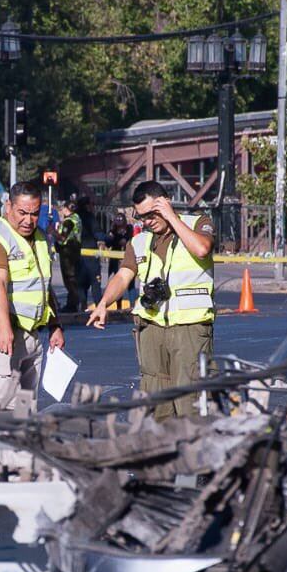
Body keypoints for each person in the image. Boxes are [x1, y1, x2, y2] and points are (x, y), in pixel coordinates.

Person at [85, 180, 215, 420]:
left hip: (190, 328)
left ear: (165, 203)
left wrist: (172, 218)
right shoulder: (140, 241)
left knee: (192, 400)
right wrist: (103, 303)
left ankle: (193, 452)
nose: (147, 222)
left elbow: (202, 249)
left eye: (152, 214)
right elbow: (123, 276)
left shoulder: (197, 223)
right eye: (142, 217)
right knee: (156, 404)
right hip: (152, 330)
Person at [0, 183, 64, 410]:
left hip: (30, 331)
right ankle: (1, 446)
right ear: (8, 207)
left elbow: (43, 285)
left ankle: (22, 446)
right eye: (22, 213)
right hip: (0, 329)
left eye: (34, 213)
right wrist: (3, 328)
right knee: (3, 405)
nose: (28, 220)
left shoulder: (40, 238)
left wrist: (55, 325)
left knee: (26, 406)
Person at [55, 199, 85, 312]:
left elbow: (63, 237)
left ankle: (72, 305)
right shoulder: (77, 218)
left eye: (63, 208)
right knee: (73, 279)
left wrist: (53, 232)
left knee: (69, 279)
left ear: (66, 209)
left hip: (68, 253)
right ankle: (74, 303)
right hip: (75, 251)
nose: (62, 210)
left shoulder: (69, 221)